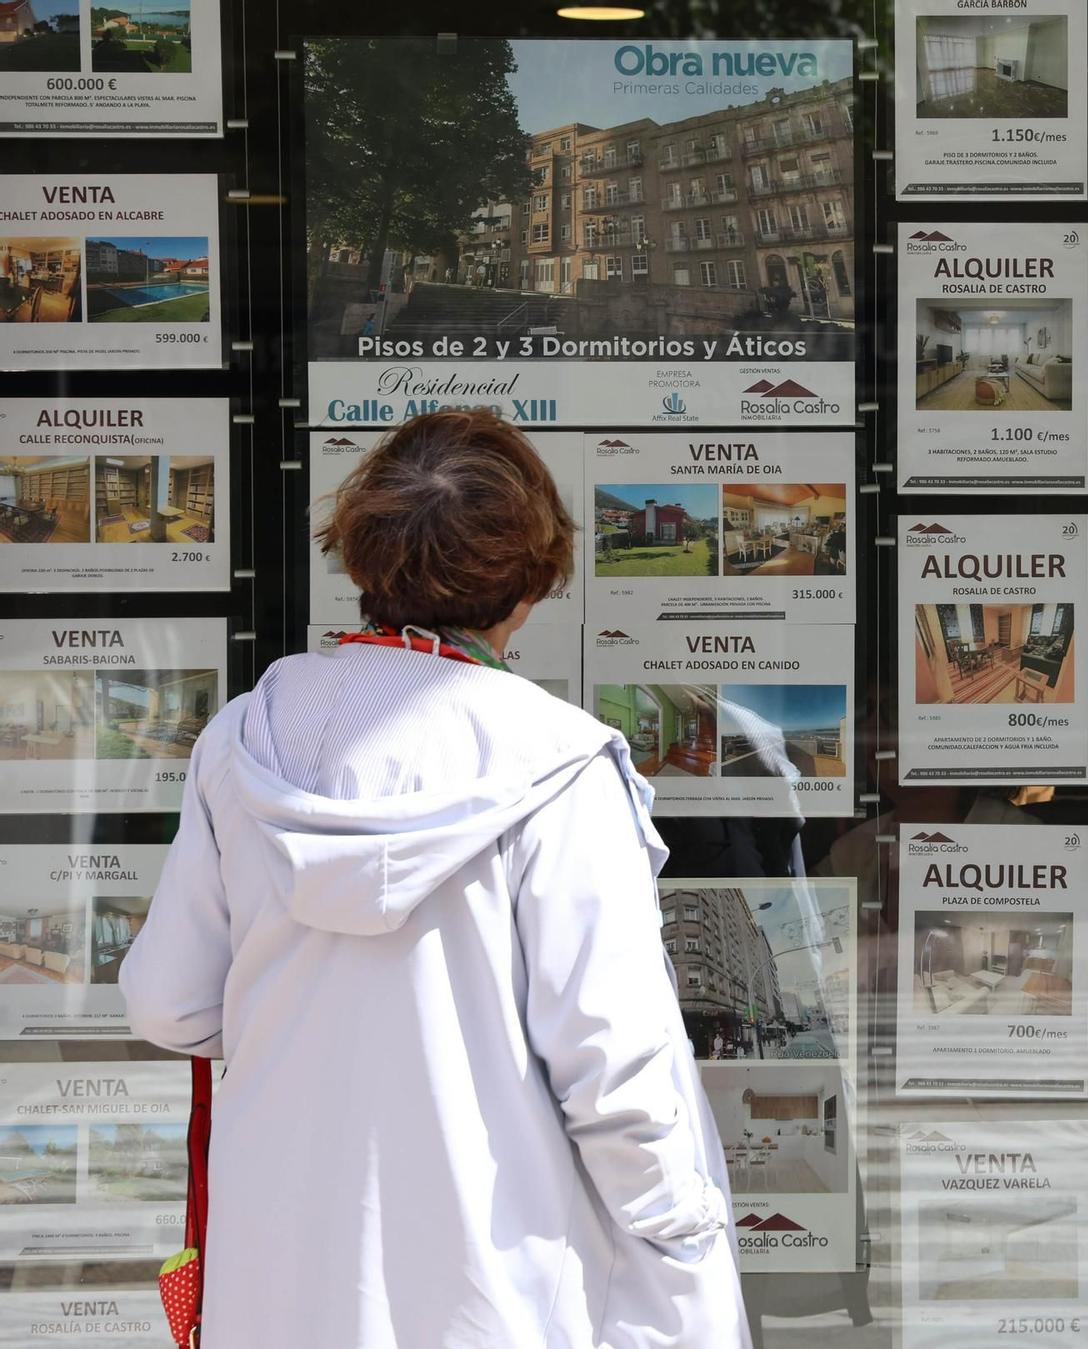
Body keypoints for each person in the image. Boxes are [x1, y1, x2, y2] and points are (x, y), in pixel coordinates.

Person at [119, 410, 750, 1348]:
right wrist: (688, 1239)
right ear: (530, 578)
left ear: (364, 554)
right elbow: (618, 1072)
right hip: (494, 1282)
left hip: (281, 1279)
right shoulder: (562, 767)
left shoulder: (246, 740)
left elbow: (168, 1004)